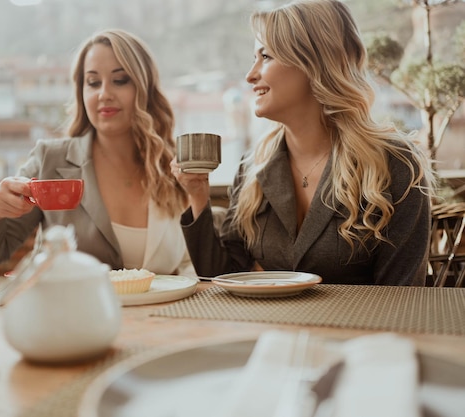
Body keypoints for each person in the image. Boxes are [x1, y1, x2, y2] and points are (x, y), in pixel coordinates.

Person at [172, 0, 433, 286]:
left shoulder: (395, 164)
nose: (250, 74)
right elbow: (225, 278)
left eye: (266, 56)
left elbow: (403, 294)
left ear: (313, 62)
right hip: (268, 330)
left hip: (361, 330)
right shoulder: (252, 168)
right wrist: (197, 195)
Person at [0, 29, 195, 276]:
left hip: (164, 314)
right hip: (72, 313)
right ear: (81, 91)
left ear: (145, 89)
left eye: (120, 80)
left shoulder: (173, 167)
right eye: (93, 83)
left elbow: (188, 264)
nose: (104, 94)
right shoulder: (50, 160)